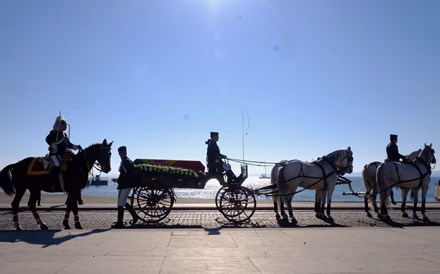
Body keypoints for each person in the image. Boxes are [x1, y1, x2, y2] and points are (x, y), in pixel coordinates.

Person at [45, 115, 81, 192]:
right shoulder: (54, 132)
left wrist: (76, 146)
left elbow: (69, 144)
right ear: (60, 125)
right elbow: (47, 139)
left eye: (66, 125)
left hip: (63, 154)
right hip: (54, 154)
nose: (66, 127)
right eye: (64, 125)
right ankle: (51, 183)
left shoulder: (64, 135)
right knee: (57, 164)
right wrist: (52, 145)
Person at [112, 146, 139, 228]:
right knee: (122, 202)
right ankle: (134, 216)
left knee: (120, 203)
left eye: (120, 153)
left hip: (125, 185)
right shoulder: (127, 161)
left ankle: (120, 222)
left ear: (123, 152)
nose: (120, 155)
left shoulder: (125, 162)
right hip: (126, 184)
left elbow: (125, 175)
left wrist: (118, 180)